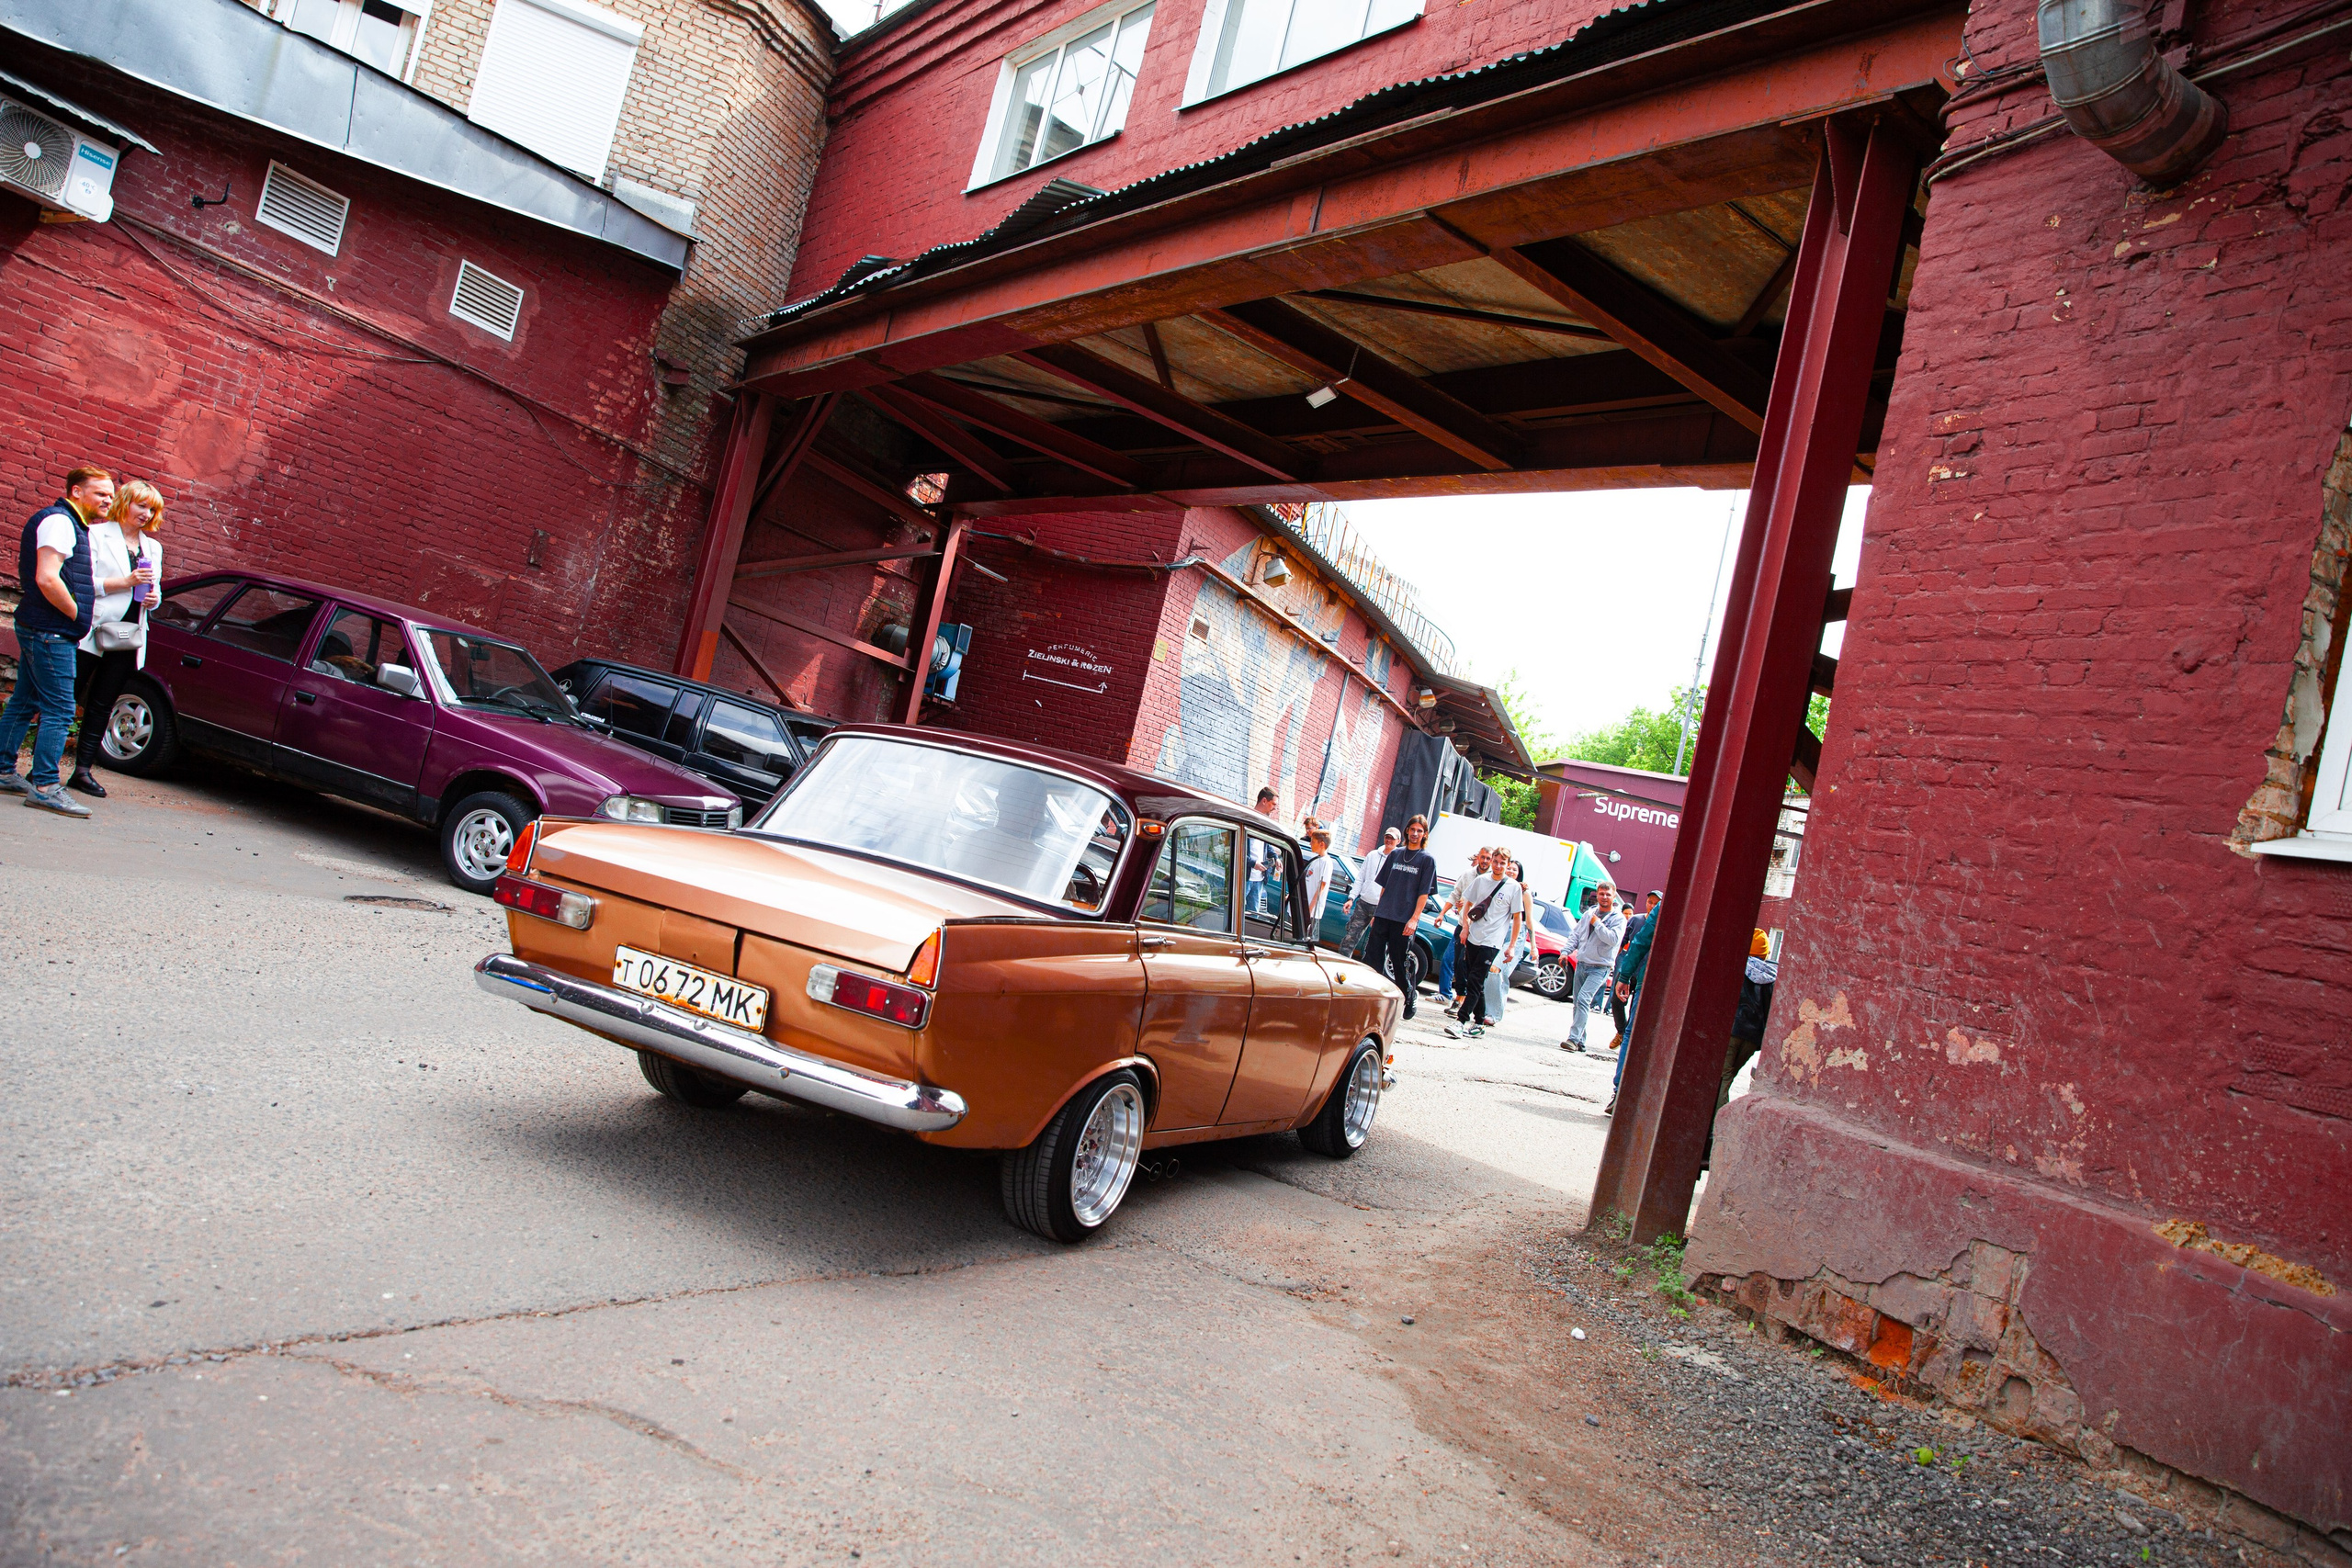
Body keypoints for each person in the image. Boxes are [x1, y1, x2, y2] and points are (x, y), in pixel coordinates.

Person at [1, 466, 112, 818]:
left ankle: (3, 770)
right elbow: (48, 579)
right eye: (100, 494)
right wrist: (77, 615)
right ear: (77, 492)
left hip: (46, 628)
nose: (108, 500)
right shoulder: (59, 521)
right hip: (51, 631)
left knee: (25, 700)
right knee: (61, 708)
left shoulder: (71, 524)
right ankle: (47, 787)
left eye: (111, 495)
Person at [68, 479, 164, 796]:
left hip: (129, 634)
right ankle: (43, 767)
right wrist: (125, 581)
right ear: (125, 503)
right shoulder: (96, 534)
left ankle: (82, 771)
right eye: (141, 506)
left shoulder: (153, 547)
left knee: (103, 702)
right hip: (94, 629)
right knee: (68, 699)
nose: (147, 514)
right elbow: (85, 584)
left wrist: (153, 599)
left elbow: (156, 591)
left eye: (152, 509)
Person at [1447, 847, 1524, 1038]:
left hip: (1493, 941)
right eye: (1496, 862)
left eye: (1502, 863)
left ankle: (1461, 1021)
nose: (1498, 866)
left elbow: (1517, 918)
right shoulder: (1481, 881)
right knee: (1476, 982)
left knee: (1474, 980)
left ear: (1508, 865)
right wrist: (1465, 927)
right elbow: (1467, 903)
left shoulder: (1513, 887)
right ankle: (1480, 1023)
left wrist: (1512, 946)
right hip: (1474, 935)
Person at [1365, 814, 1436, 1017]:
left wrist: (1414, 919)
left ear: (1424, 834)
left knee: (1399, 962)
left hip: (1404, 919)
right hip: (1384, 915)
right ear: (1406, 831)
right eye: (1412, 829)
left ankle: (1409, 995)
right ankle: (1373, 998)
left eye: (1419, 831)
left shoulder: (1427, 860)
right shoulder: (1395, 855)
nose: (1415, 834)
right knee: (1373, 959)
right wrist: (1377, 912)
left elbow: (1424, 894)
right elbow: (1385, 886)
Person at [1605, 893, 1663, 1114]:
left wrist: (1624, 976)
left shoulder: (1664, 907)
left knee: (1633, 1033)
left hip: (1652, 978)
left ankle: (1620, 1092)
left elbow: (1642, 941)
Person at [1559, 884, 1626, 1054]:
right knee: (1577, 1002)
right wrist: (1566, 952)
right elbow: (1576, 934)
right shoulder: (1589, 913)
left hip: (1600, 967)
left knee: (1583, 1000)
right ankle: (1581, 1041)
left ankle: (1573, 1040)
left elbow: (1612, 939)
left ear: (1614, 896)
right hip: (1582, 963)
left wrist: (1597, 924)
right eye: (1601, 894)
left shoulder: (1618, 918)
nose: (1604, 897)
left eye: (1607, 894)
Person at [1344, 825, 1400, 958]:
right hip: (1363, 903)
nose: (1389, 840)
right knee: (1350, 937)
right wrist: (1351, 898)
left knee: (1374, 943)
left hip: (1381, 908)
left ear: (1398, 841)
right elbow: (1360, 878)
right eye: (1387, 837)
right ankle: (1342, 962)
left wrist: (1385, 908)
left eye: (1392, 838)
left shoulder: (1398, 859)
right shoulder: (1372, 855)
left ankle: (1368, 969)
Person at [1246, 786, 1281, 915]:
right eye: (1273, 804)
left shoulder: (1265, 822)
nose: (1274, 808)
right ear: (1264, 801)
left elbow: (1266, 846)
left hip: (1259, 879)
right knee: (1235, 913)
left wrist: (1276, 858)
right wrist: (1253, 863)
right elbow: (1238, 849)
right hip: (1245, 877)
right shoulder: (1248, 818)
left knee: (1254, 915)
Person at [1301, 826, 1336, 943]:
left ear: (1322, 844)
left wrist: (1310, 908)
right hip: (1305, 905)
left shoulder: (1326, 862)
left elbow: (1321, 887)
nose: (1310, 844)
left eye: (1313, 841)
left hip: (1312, 911)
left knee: (1307, 939)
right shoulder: (1316, 859)